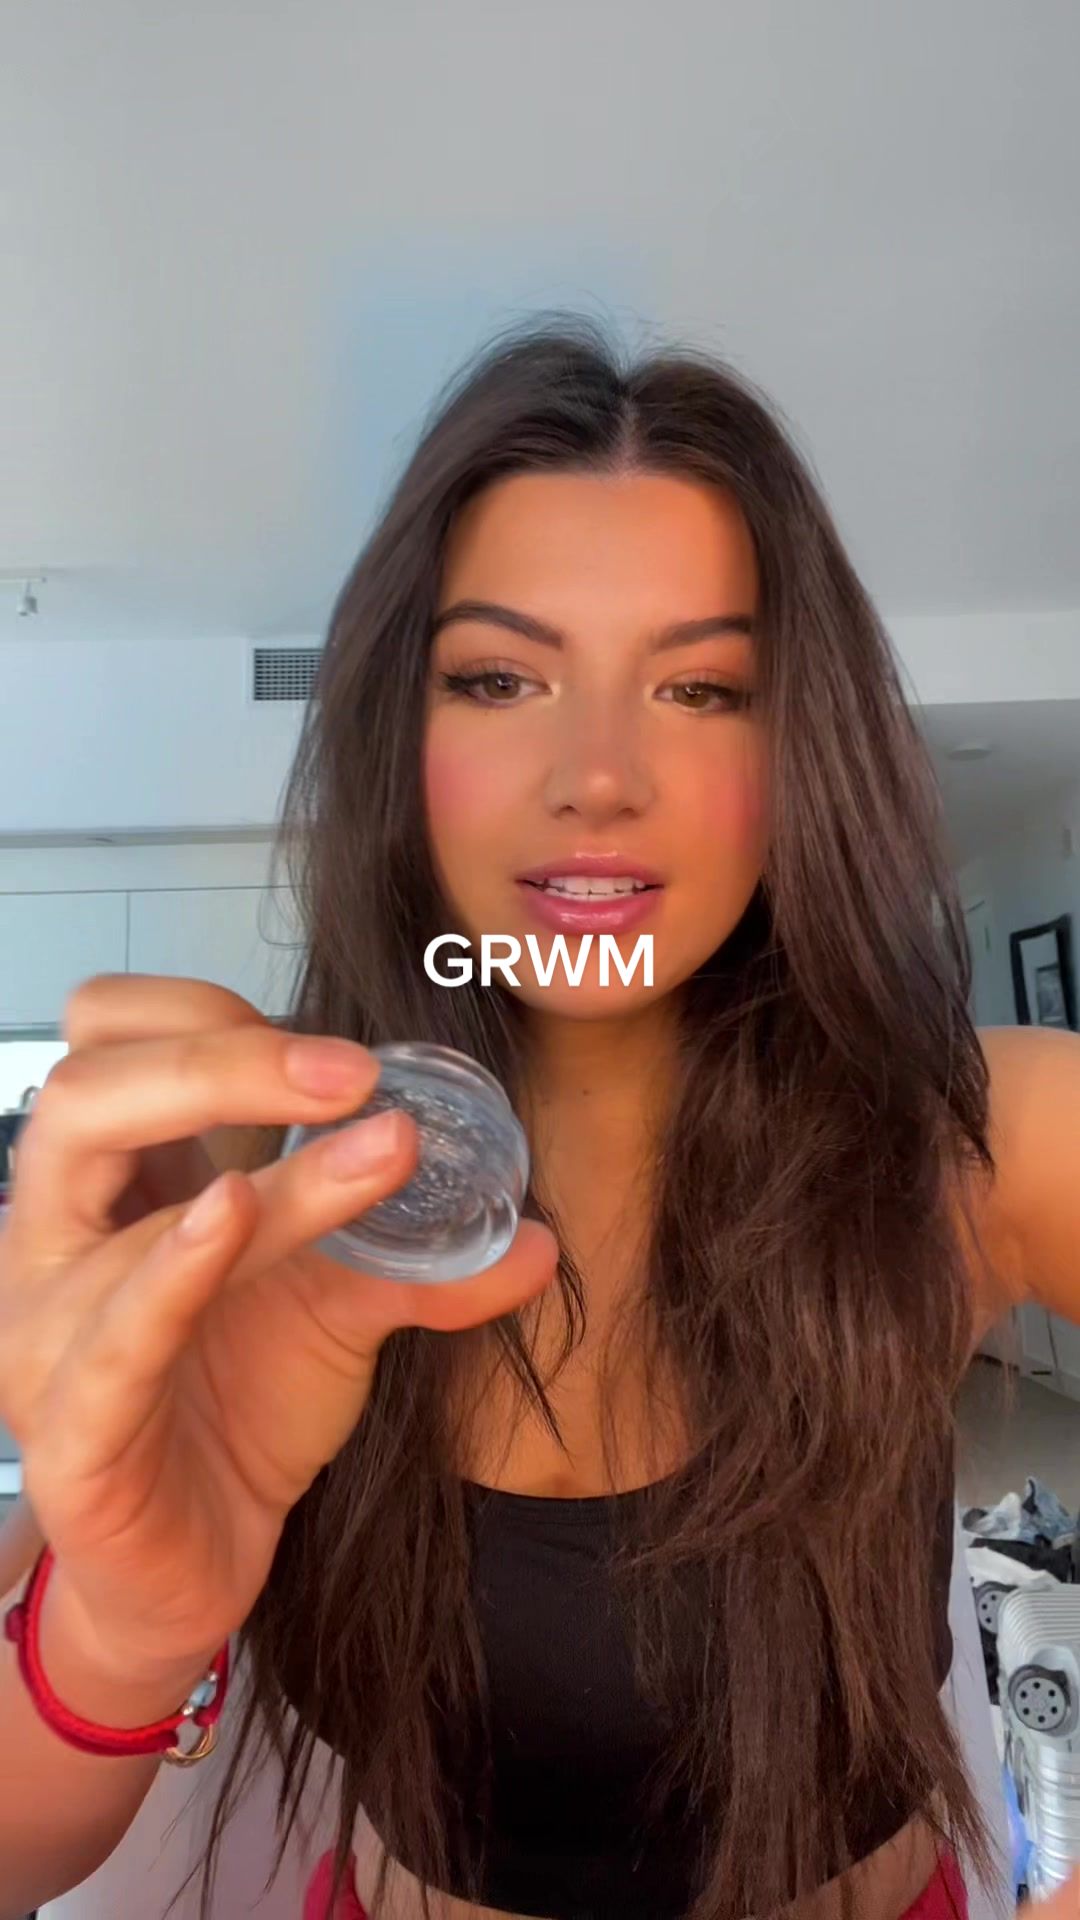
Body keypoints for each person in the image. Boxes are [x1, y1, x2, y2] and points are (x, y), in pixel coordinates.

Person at [1, 317, 1079, 1920]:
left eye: (701, 686)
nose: (596, 775)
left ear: (800, 755)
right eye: (499, 678)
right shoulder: (260, 1179)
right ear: (402, 735)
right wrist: (123, 1624)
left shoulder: (975, 1135)